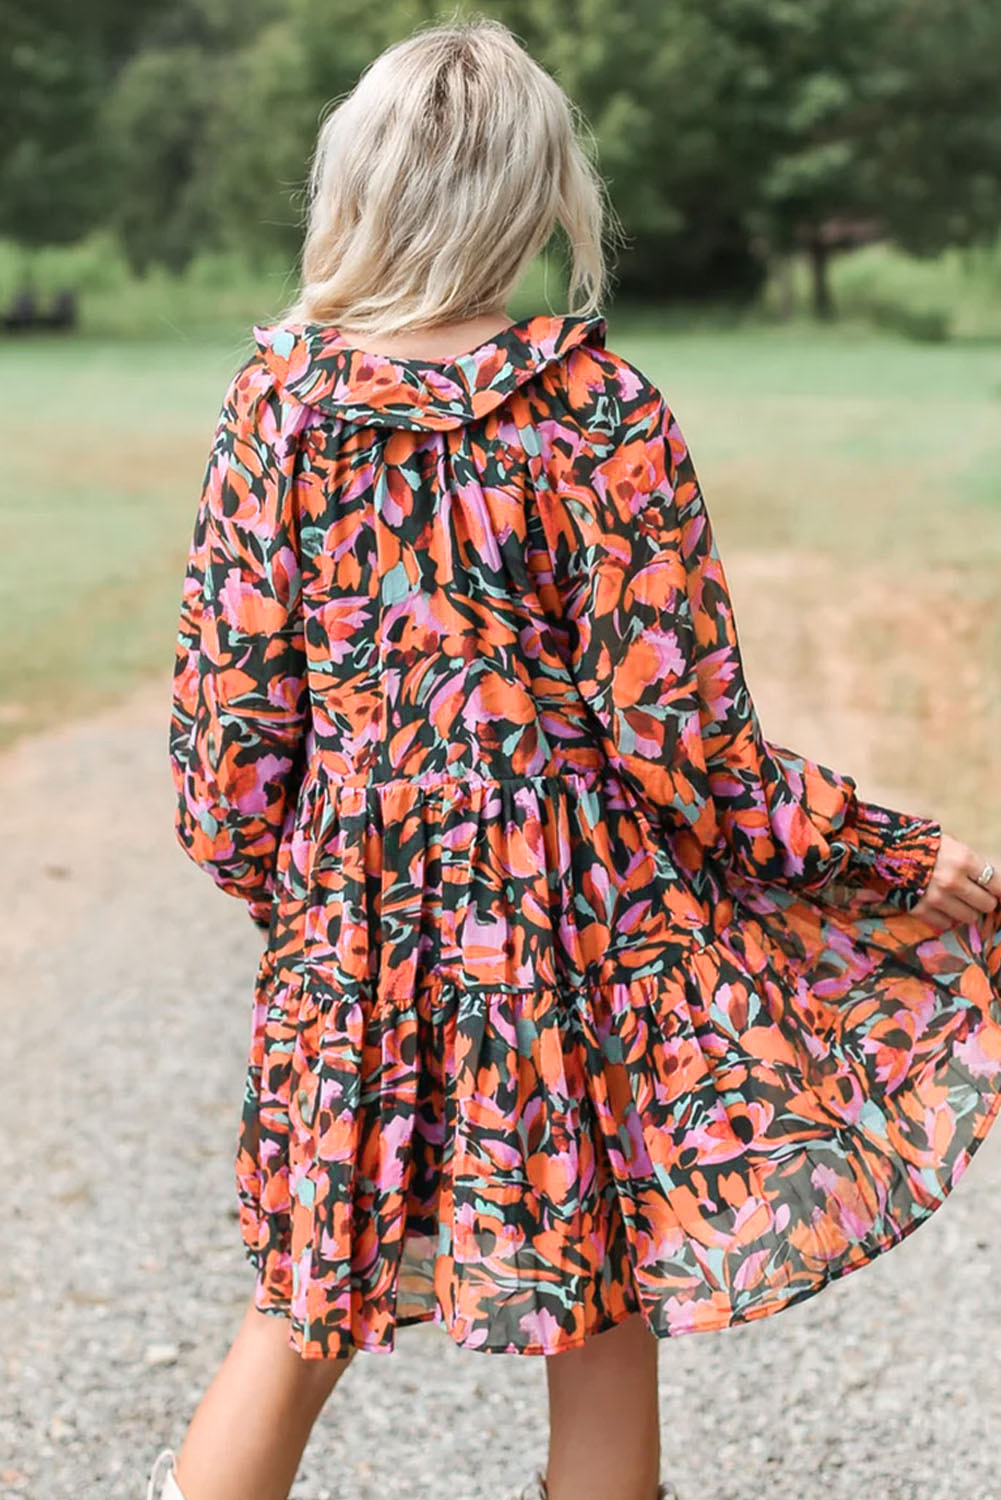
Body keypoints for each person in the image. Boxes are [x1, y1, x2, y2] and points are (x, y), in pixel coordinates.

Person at [157, 17, 1001, 1500]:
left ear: (354, 182)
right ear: (539, 195)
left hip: (356, 920)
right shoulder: (600, 413)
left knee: (303, 1302)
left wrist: (322, 908)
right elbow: (684, 743)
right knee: (597, 1292)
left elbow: (227, 753)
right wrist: (881, 855)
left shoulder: (274, 411)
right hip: (572, 920)